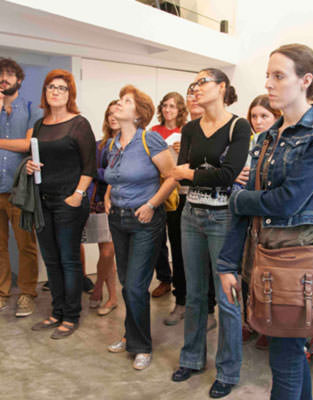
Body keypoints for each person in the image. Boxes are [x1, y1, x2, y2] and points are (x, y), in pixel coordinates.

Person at [217, 43, 313, 400]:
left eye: (278, 76)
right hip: (262, 254)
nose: (269, 84)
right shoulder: (267, 136)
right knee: (288, 355)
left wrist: (240, 198)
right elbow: (247, 209)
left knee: (285, 357)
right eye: (268, 76)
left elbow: (288, 201)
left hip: (294, 257)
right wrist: (228, 263)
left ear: (306, 80)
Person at [168, 68, 251, 399]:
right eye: (194, 83)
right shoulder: (190, 128)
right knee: (195, 294)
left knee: (227, 298)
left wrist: (193, 172)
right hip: (191, 215)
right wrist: (204, 173)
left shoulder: (237, 126)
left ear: (222, 87)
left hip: (223, 219)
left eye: (203, 82)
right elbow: (181, 174)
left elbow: (229, 174)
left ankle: (228, 371)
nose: (197, 88)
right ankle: (191, 358)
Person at [104, 85, 177, 371]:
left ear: (138, 113)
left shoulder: (151, 140)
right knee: (127, 283)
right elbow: (113, 176)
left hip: (145, 220)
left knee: (135, 285)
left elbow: (172, 177)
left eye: (125, 101)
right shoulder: (113, 143)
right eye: (118, 100)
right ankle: (130, 334)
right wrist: (109, 197)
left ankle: (142, 346)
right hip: (118, 219)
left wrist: (151, 204)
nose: (118, 105)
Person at [25, 69, 96, 339]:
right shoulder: (40, 125)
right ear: (45, 92)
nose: (56, 91)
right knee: (51, 260)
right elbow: (37, 158)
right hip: (42, 201)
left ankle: (72, 315)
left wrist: (77, 195)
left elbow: (89, 166)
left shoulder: (79, 124)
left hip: (70, 201)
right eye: (51, 87)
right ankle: (56, 312)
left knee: (69, 260)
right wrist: (30, 166)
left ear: (70, 94)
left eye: (62, 88)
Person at [0, 57, 42, 319]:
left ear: (19, 79)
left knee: (26, 244)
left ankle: (27, 293)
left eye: (10, 74)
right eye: (0, 74)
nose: (4, 78)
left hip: (20, 190)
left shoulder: (32, 109)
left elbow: (27, 145)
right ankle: (0, 295)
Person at [164, 85, 218, 327]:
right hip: (181, 197)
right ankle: (181, 301)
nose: (194, 98)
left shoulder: (219, 128)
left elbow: (218, 169)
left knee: (206, 257)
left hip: (210, 199)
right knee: (179, 252)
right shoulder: (185, 131)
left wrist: (187, 168)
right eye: (190, 94)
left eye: (199, 93)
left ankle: (208, 310)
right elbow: (176, 170)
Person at [239, 94, 281, 350]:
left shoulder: (281, 143)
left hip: (272, 217)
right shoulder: (251, 142)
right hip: (249, 215)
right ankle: (249, 321)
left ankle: (268, 325)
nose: (258, 121)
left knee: (270, 275)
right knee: (248, 272)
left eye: (264, 116)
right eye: (254, 116)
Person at [149, 91, 187, 298]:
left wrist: (184, 151)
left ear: (180, 110)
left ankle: (181, 283)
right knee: (157, 239)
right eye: (165, 105)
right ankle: (164, 278)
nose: (168, 109)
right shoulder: (153, 132)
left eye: (173, 106)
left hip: (178, 192)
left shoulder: (187, 131)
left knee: (177, 238)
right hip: (156, 190)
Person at [87, 100, 120, 316]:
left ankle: (98, 287)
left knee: (109, 252)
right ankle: (113, 297)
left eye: (117, 112)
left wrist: (106, 172)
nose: (113, 116)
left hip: (121, 202)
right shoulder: (99, 145)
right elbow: (91, 171)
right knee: (104, 252)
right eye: (109, 113)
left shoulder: (132, 144)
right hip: (98, 202)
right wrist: (108, 173)